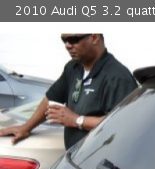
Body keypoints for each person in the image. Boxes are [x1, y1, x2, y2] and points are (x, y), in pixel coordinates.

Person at [0, 33, 137, 149]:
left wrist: (77, 120)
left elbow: (121, 124)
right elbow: (51, 99)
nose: (67, 45)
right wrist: (25, 128)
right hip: (73, 162)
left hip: (99, 165)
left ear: (94, 37)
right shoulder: (73, 68)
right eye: (64, 40)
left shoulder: (117, 77)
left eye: (73, 39)